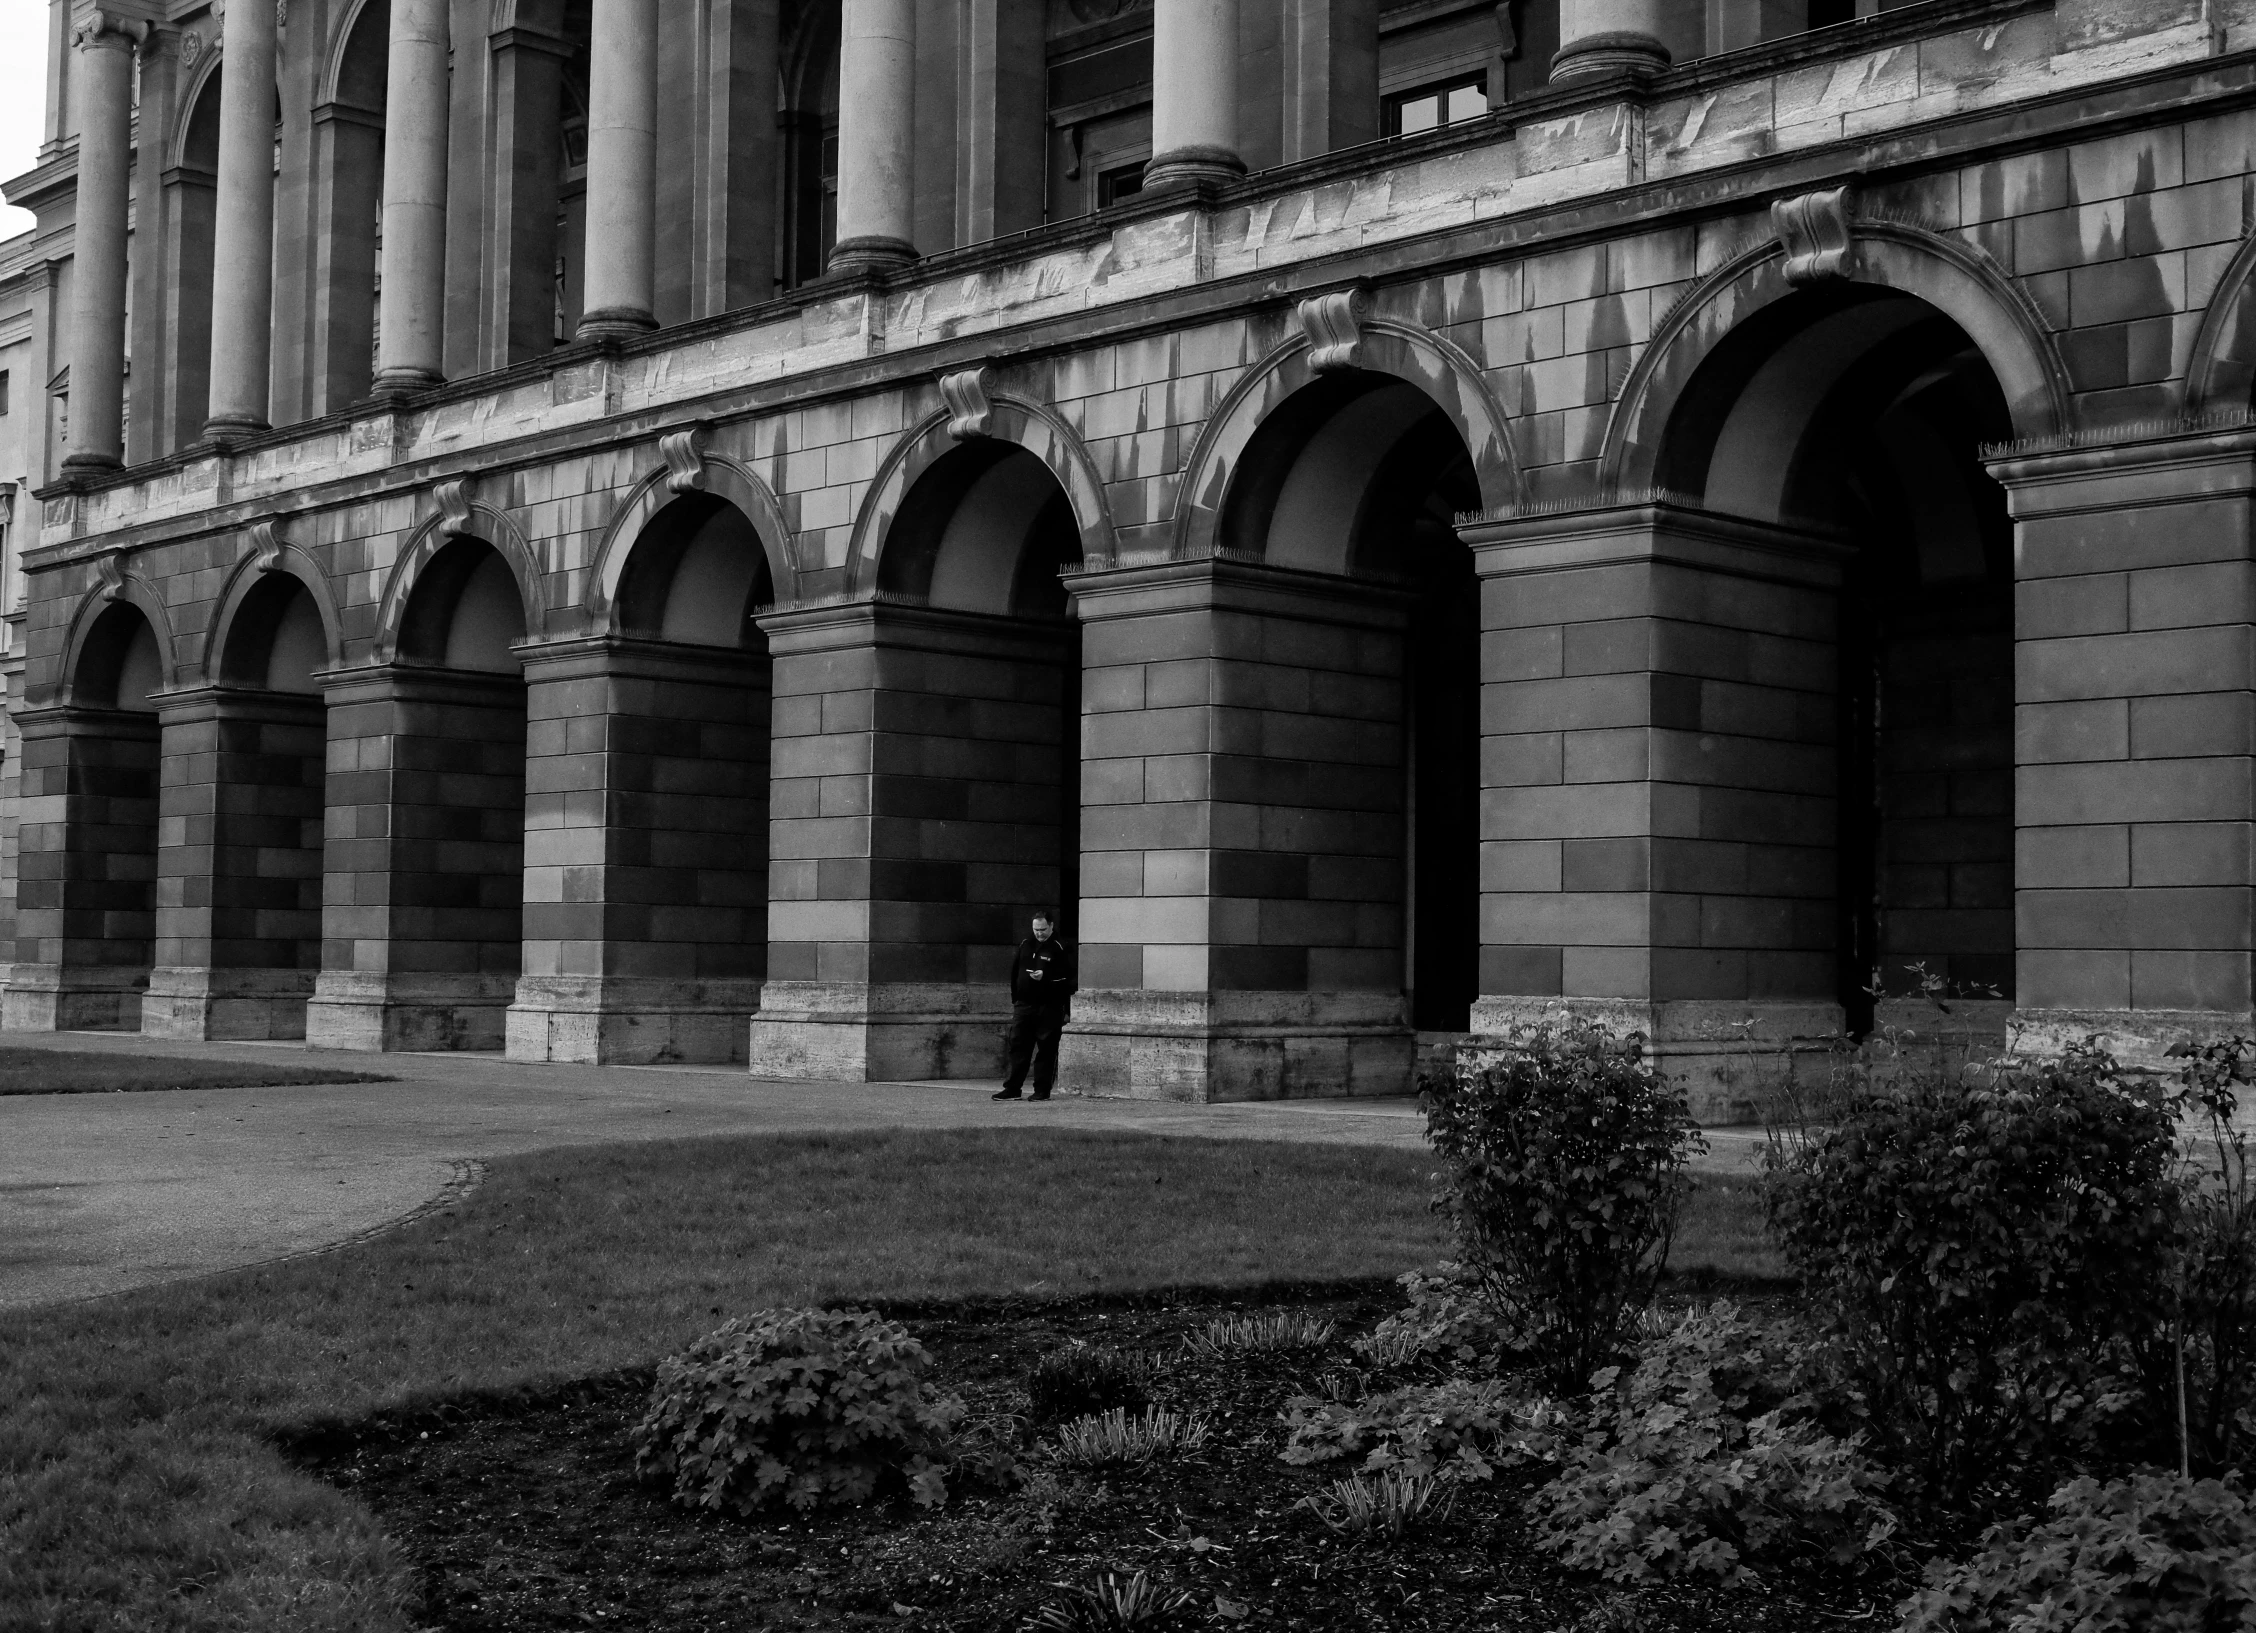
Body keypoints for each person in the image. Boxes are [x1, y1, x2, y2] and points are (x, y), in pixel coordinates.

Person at [993, 909, 1076, 1101]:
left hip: (1050, 1005)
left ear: (1051, 926)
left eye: (1043, 929)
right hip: (1024, 1005)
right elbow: (1015, 973)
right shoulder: (1025, 944)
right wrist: (1016, 999)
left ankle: (1042, 1090)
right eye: (1036, 929)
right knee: (1018, 1047)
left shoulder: (1060, 947)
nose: (1039, 933)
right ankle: (1012, 1088)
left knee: (1046, 1049)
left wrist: (1047, 978)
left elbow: (1069, 978)